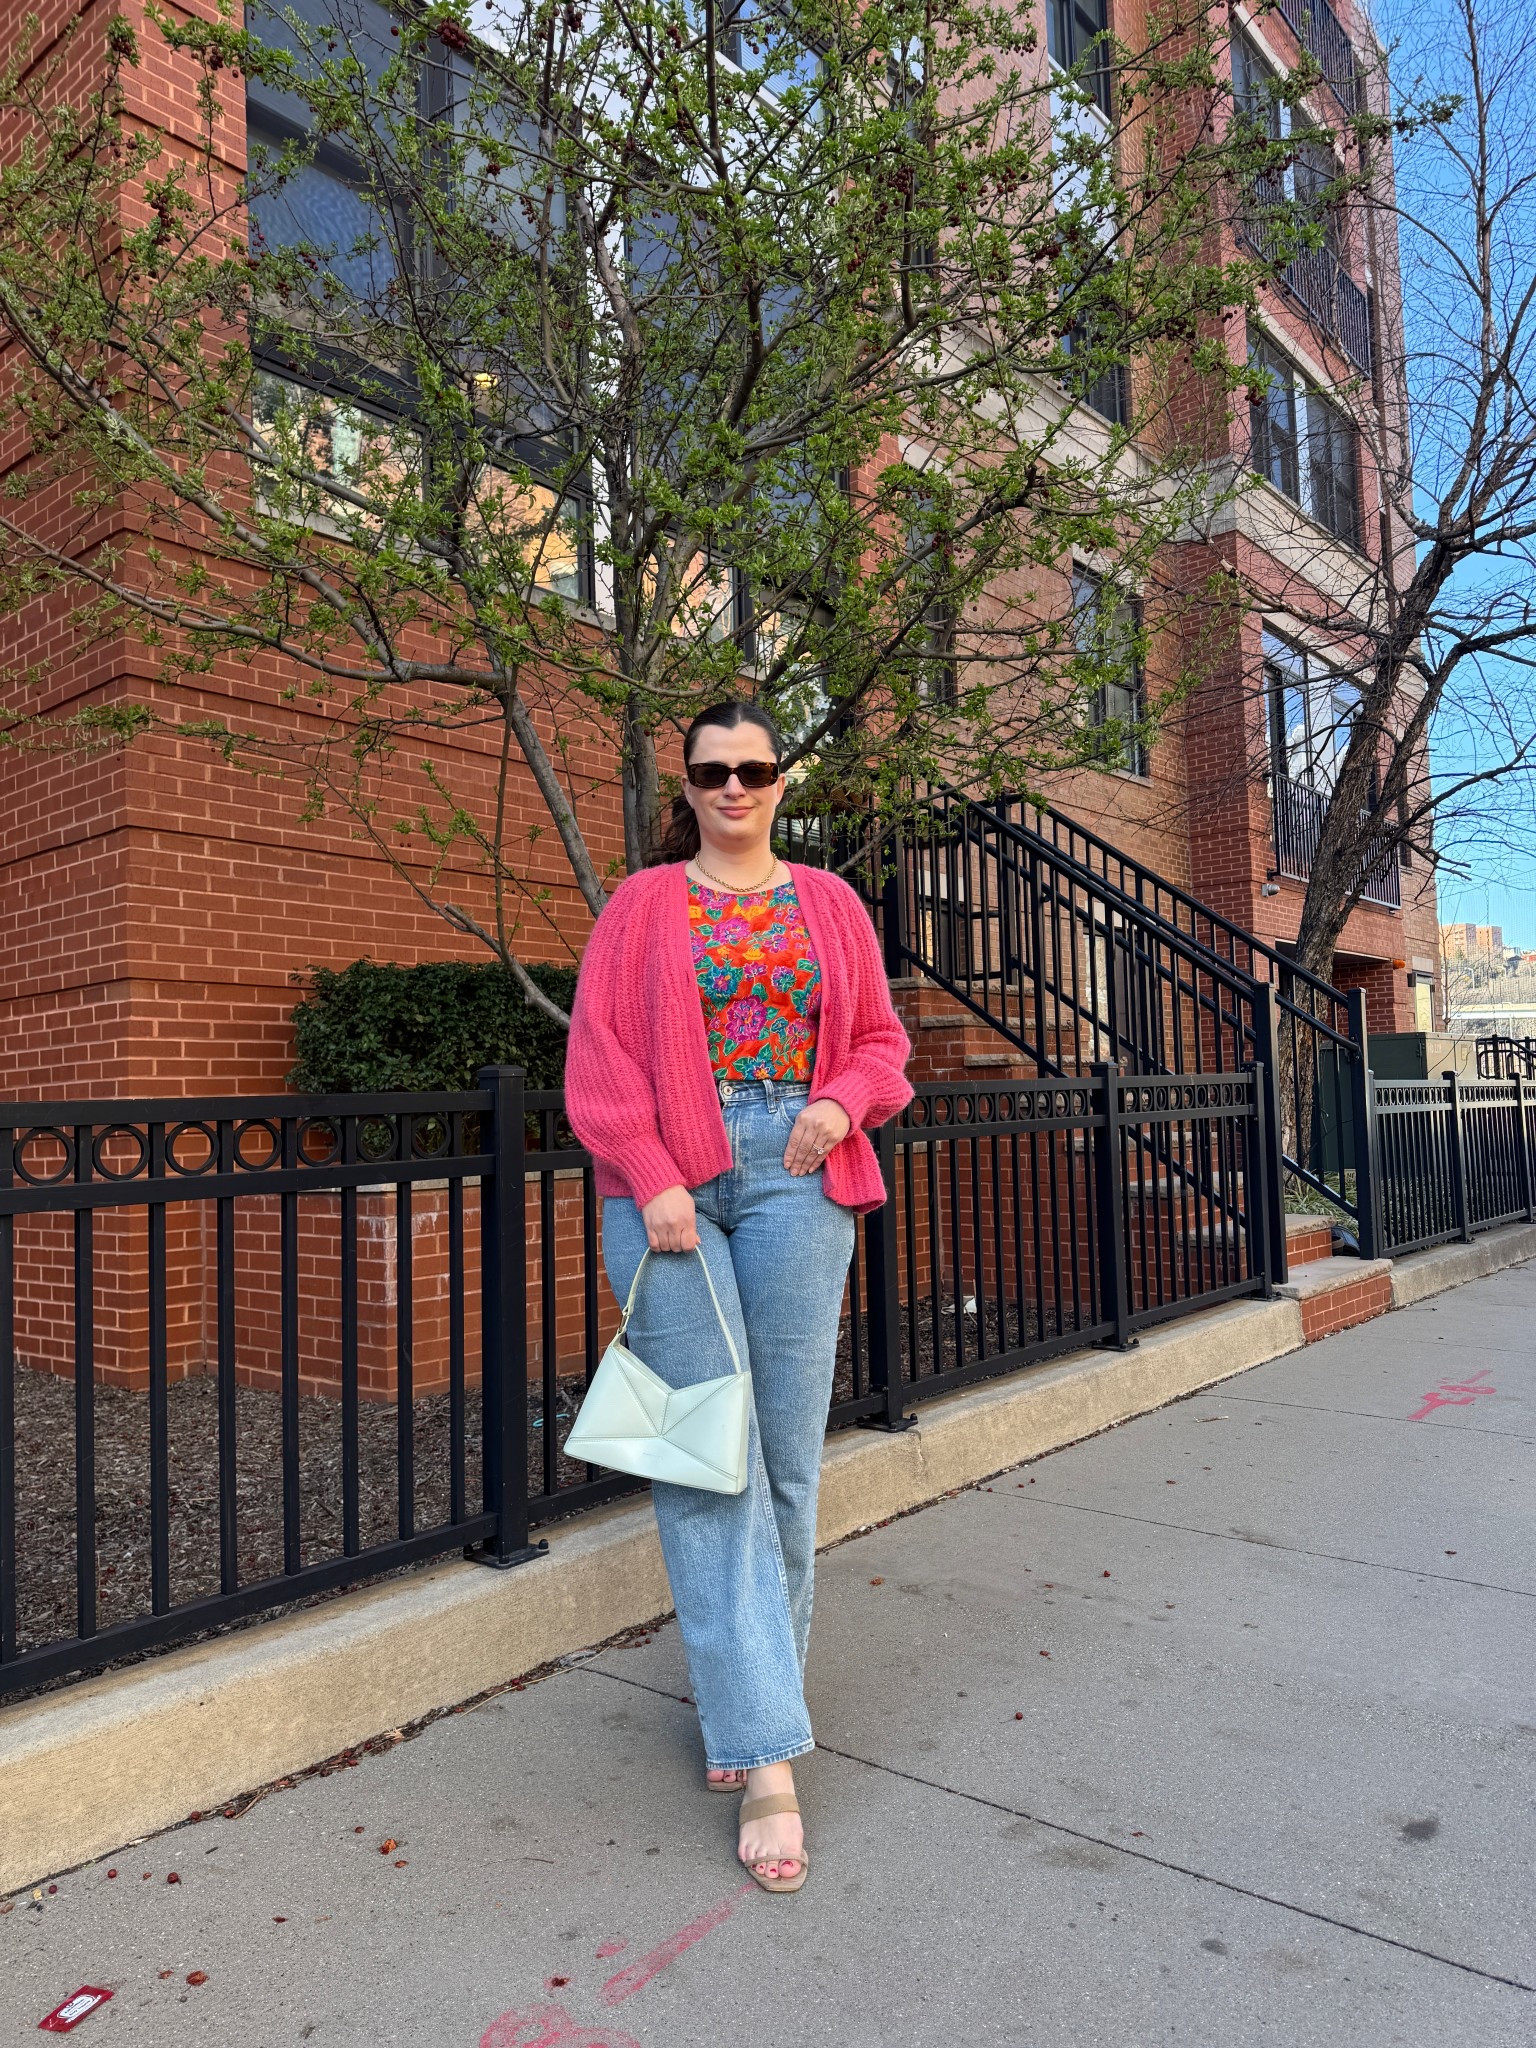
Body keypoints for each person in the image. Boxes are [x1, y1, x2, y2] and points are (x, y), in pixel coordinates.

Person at [564, 701, 912, 1894]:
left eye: (753, 768)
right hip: (663, 1183)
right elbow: (599, 1056)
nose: (733, 786)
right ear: (690, 784)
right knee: (704, 1454)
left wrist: (841, 1103)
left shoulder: (830, 902)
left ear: (779, 780)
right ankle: (770, 1760)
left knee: (784, 1455)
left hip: (799, 1177)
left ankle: (746, 1701)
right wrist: (652, 1172)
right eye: (712, 771)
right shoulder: (642, 904)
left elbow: (878, 1041)